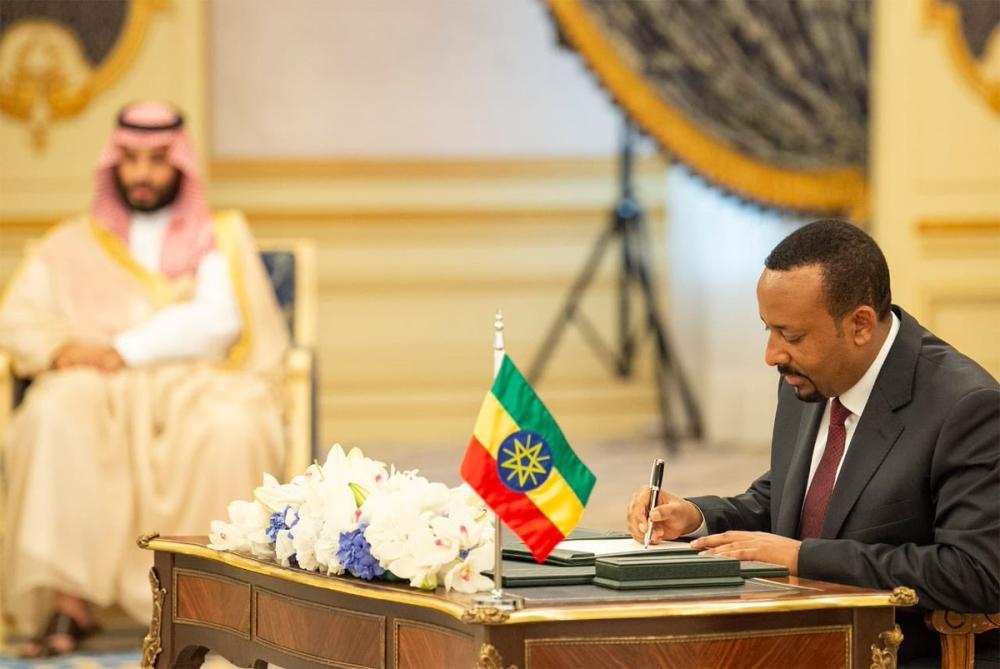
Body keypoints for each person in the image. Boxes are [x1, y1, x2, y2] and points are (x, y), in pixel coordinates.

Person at [626, 219, 999, 663]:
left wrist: (807, 560)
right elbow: (788, 500)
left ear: (860, 325)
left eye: (792, 335)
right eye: (768, 329)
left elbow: (975, 572)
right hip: (794, 640)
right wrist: (696, 516)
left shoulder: (965, 407)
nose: (772, 355)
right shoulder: (805, 377)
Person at [0, 101, 290, 657]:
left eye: (157, 160)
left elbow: (220, 321)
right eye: (130, 159)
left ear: (180, 165)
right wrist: (61, 349)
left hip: (195, 377)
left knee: (231, 425)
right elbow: (19, 318)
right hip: (98, 386)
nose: (142, 174)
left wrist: (123, 350)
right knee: (51, 413)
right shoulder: (71, 242)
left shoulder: (218, 236)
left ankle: (213, 604)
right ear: (113, 164)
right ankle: (69, 599)